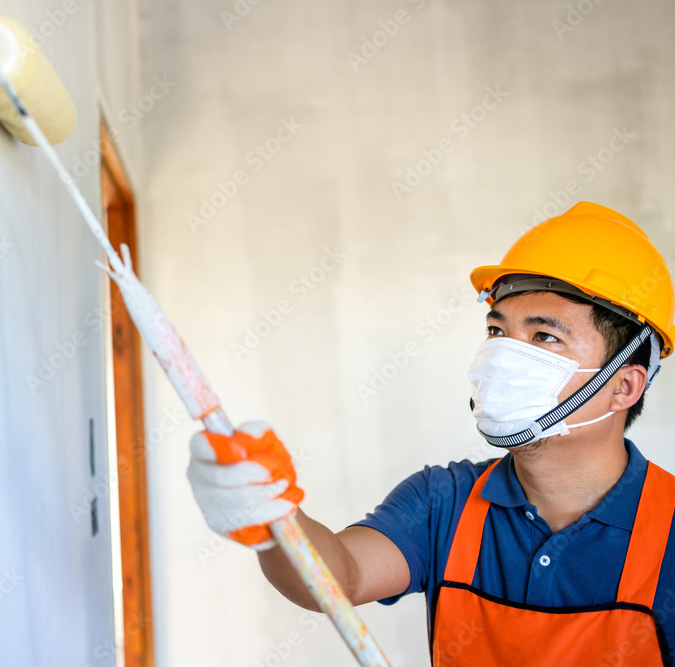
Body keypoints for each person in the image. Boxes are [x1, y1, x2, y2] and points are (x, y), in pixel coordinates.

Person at [187, 201, 675, 665]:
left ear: (624, 386)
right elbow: (339, 577)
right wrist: (272, 512)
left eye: (544, 336)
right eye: (497, 332)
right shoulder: (445, 501)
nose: (503, 357)